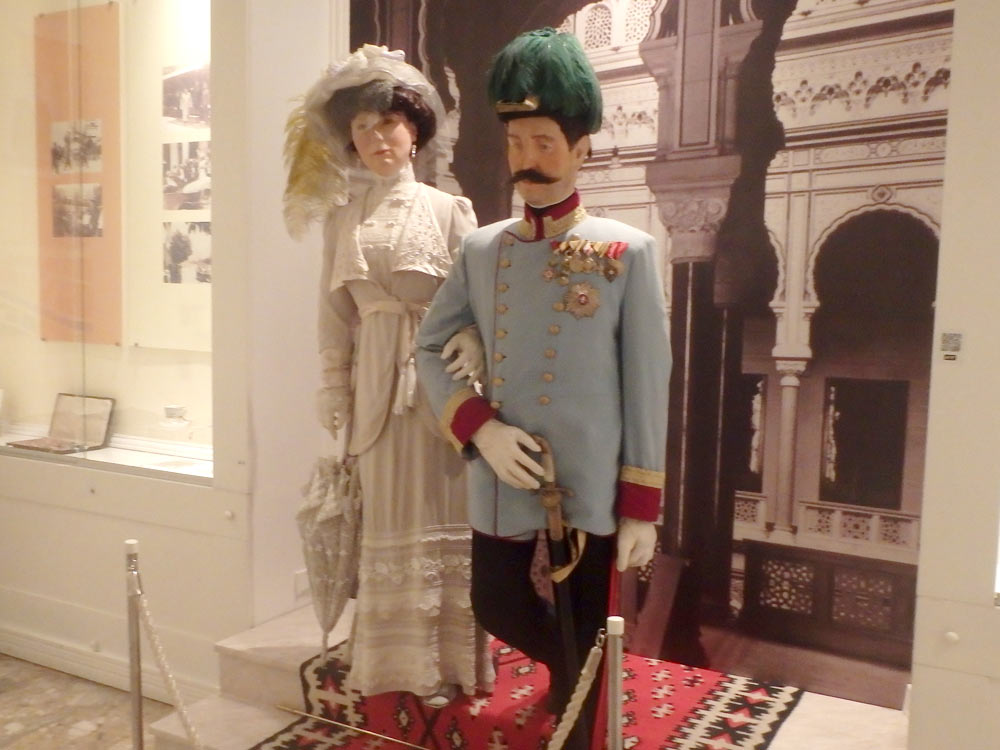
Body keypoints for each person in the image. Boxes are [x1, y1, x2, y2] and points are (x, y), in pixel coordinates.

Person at [415, 27, 670, 730]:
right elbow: (429, 347)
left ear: (580, 148)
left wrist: (641, 505)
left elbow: (648, 384)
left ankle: (583, 720)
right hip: (503, 469)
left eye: (544, 144)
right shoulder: (481, 249)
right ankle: (568, 674)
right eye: (516, 144)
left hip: (587, 474)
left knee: (587, 624)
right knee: (495, 602)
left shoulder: (629, 252)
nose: (527, 161)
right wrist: (479, 427)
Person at [283, 45, 494, 705]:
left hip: (437, 385)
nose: (378, 139)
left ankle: (450, 662)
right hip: (374, 384)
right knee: (385, 519)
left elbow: (480, 307)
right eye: (365, 128)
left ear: (415, 131)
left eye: (390, 124)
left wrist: (473, 350)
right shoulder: (343, 218)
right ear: (351, 137)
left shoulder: (449, 210)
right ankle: (394, 662)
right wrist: (331, 383)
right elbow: (331, 311)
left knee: (441, 508)